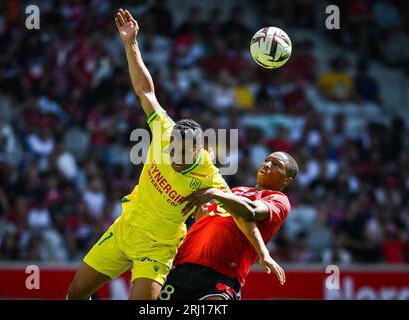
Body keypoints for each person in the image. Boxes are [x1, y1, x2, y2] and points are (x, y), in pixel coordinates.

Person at [67, 8, 231, 300]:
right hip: (124, 230)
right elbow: (145, 91)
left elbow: (231, 211)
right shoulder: (164, 131)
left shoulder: (208, 174)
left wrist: (214, 199)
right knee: (76, 295)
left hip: (156, 250)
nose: (173, 155)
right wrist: (131, 43)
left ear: (198, 149)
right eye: (171, 149)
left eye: (181, 153)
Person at [158, 151, 298, 300]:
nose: (267, 164)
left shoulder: (278, 199)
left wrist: (215, 193)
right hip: (184, 268)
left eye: (276, 164)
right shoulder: (236, 191)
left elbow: (251, 211)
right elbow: (214, 221)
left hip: (222, 274)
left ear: (287, 180)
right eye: (267, 160)